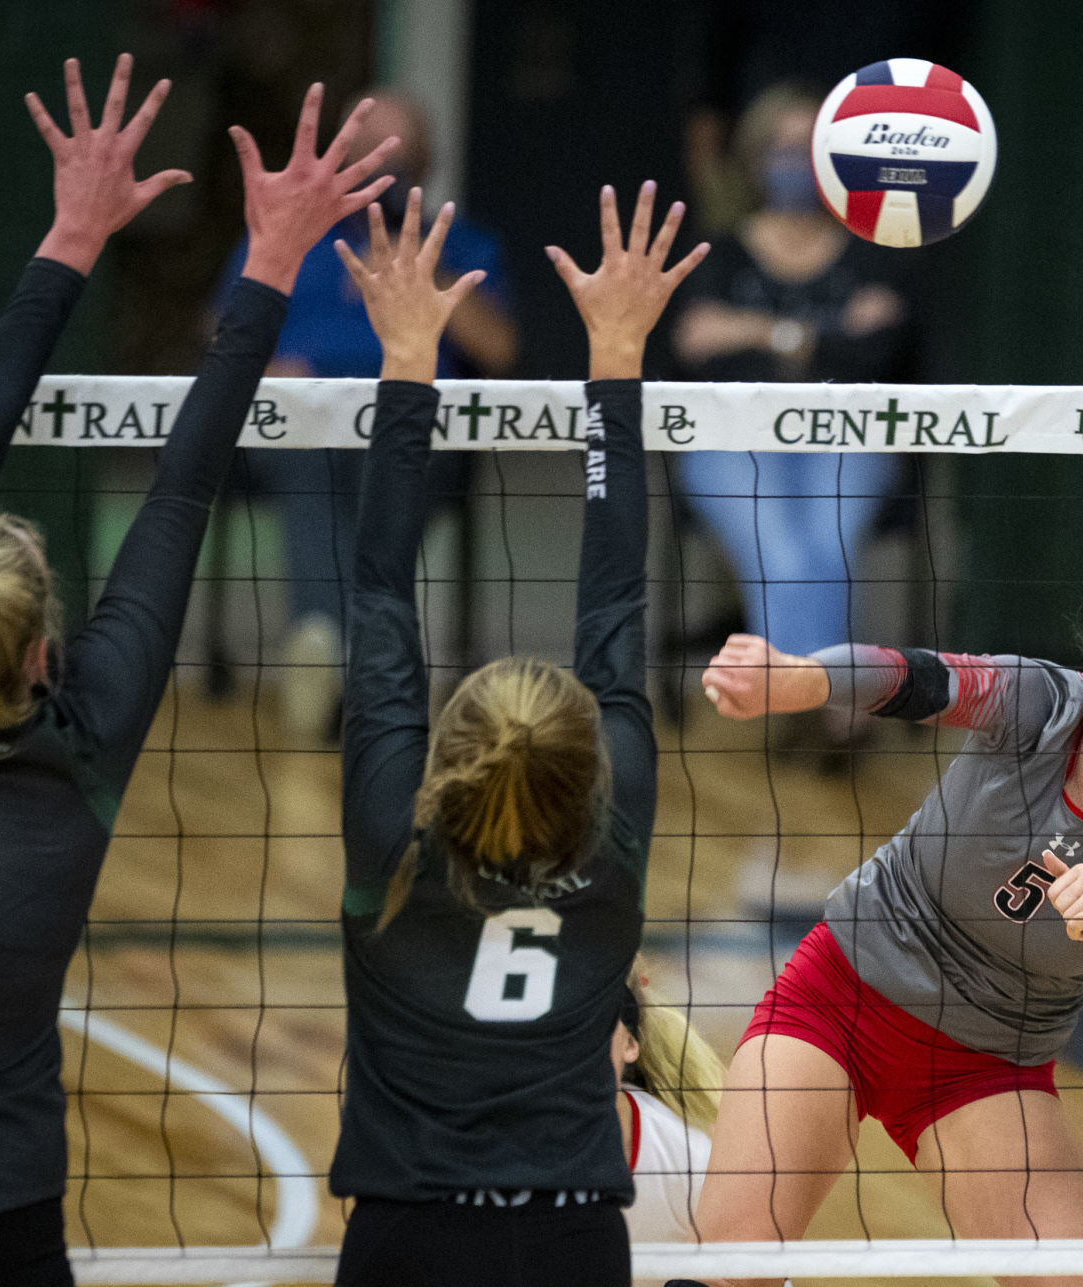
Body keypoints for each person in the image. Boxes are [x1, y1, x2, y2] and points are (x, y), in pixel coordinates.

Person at [0, 56, 396, 1285]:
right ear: (38, 655)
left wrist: (71, 234)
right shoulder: (79, 752)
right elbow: (181, 487)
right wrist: (271, 263)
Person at [681, 547, 1083, 1287]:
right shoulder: (1039, 700)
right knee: (727, 1268)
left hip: (983, 1064)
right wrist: (798, 680)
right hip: (840, 996)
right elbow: (910, 675)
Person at [327, 182, 707, 1287]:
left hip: (405, 1232)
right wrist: (618, 355)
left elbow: (377, 594)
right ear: (588, 768)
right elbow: (615, 606)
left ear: (449, 752)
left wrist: (408, 360)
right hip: (575, 1233)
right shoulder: (613, 837)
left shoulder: (395, 847)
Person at [215, 89, 520, 740]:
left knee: (391, 469)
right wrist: (268, 366)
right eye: (364, 152)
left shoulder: (461, 244)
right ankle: (350, 656)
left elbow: (498, 348)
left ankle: (328, 641)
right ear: (339, 157)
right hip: (303, 427)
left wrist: (422, 270)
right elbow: (224, 335)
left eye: (399, 155)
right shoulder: (291, 237)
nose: (381, 168)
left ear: (425, 162)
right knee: (313, 460)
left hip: (418, 431)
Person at [667, 82, 915, 746]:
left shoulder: (868, 252)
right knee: (779, 545)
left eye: (808, 148)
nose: (794, 163)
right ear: (753, 160)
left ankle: (803, 692)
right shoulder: (720, 252)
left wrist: (753, 331)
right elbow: (694, 344)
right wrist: (816, 333)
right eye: (780, 148)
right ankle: (827, 697)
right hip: (732, 441)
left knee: (825, 540)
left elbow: (879, 350)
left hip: (846, 439)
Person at [614, 961, 725, 1266]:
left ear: (629, 1043)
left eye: (588, 1022)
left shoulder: (688, 1160)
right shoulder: (481, 1153)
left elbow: (758, 1276)